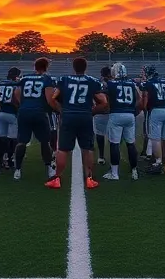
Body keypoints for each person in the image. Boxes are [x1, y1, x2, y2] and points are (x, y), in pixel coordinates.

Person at [46, 56, 105, 190]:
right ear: (86, 67)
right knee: (87, 148)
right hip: (85, 116)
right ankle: (89, 178)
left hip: (68, 115)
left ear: (74, 67)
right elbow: (104, 102)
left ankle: (57, 178)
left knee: (63, 149)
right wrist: (92, 111)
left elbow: (53, 98)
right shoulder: (92, 81)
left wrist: (61, 110)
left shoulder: (64, 79)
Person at [14, 57, 57, 181]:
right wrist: (57, 109)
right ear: (46, 67)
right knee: (45, 141)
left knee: (22, 141)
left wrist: (24, 105)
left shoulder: (25, 78)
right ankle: (49, 168)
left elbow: (17, 93)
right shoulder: (46, 79)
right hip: (39, 112)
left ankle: (17, 170)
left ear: (35, 66)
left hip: (24, 112)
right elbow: (50, 98)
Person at [103, 62, 142, 181]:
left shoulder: (110, 84)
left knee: (114, 143)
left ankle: (115, 173)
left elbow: (106, 100)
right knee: (130, 143)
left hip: (116, 114)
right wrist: (133, 111)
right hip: (129, 114)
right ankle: (134, 170)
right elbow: (139, 99)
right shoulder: (132, 84)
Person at [142, 65, 165, 174]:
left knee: (155, 139)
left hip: (156, 110)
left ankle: (158, 162)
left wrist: (145, 108)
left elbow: (145, 99)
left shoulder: (148, 83)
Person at [0, 67, 22, 169]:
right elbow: (15, 99)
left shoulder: (1, 83)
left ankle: (0, 159)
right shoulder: (16, 85)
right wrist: (18, 108)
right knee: (12, 138)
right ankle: (10, 159)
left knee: (2, 137)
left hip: (1, 112)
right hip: (11, 113)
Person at [93, 66, 112, 165]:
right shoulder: (113, 82)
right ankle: (113, 156)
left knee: (100, 134)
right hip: (112, 112)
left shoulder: (98, 83)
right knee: (113, 136)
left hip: (100, 111)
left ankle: (101, 156)